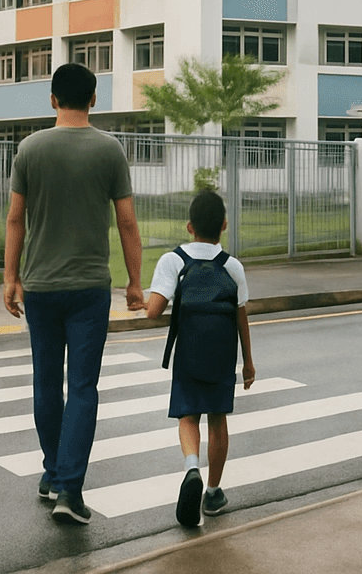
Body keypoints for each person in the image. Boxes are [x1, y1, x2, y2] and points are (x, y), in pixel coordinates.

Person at [4, 62, 144, 526]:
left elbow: (15, 220)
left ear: (52, 99)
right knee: (82, 386)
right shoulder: (110, 151)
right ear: (93, 99)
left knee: (46, 381)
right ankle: (70, 489)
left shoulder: (28, 149)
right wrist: (134, 281)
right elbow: (126, 222)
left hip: (40, 287)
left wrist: (11, 278)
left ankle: (51, 473)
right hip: (88, 289)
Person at [145, 189, 256, 528]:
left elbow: (153, 312)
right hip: (223, 351)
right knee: (218, 418)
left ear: (189, 227)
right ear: (224, 226)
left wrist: (138, 300)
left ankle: (191, 467)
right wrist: (247, 363)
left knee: (188, 414)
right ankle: (213, 491)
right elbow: (242, 318)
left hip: (189, 349)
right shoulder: (233, 267)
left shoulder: (173, 261)